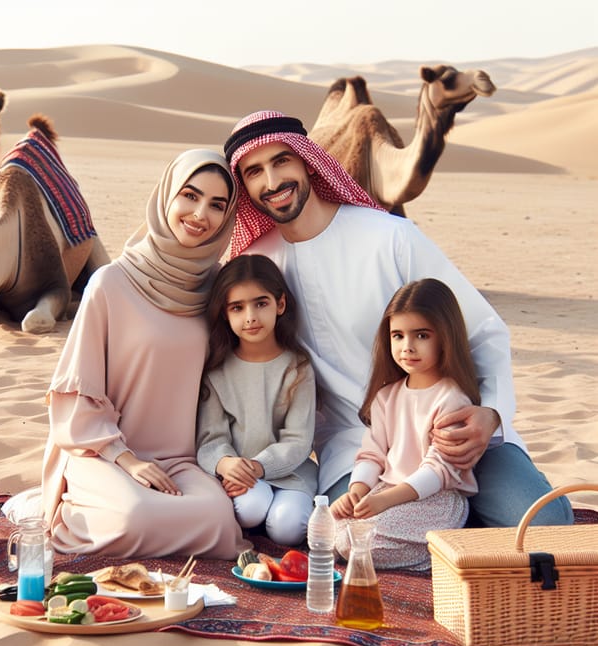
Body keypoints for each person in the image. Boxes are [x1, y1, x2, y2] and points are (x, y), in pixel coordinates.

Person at [223, 110, 573, 528]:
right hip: (357, 447)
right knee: (371, 535)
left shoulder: (389, 237)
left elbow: (483, 331)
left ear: (307, 161)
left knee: (545, 525)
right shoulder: (255, 268)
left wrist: (491, 414)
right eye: (254, 171)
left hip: (451, 428)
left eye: (282, 161)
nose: (272, 181)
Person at [40, 149, 250, 559]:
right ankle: (65, 509)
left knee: (219, 522)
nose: (200, 214)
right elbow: (75, 393)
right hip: (102, 451)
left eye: (216, 205)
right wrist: (127, 459)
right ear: (167, 196)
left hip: (180, 461)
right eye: (189, 196)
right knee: (134, 518)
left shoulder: (219, 292)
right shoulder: (111, 283)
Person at [331, 279, 481, 569]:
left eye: (421, 336)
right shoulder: (387, 396)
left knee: (359, 543)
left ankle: (430, 555)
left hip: (435, 500)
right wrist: (356, 492)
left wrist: (385, 501)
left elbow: (438, 470)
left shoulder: (452, 399)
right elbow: (371, 453)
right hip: (386, 492)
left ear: (445, 337)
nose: (407, 347)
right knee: (332, 530)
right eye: (398, 336)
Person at [196, 254, 318, 545]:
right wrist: (225, 464)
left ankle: (277, 515)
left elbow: (299, 439)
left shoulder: (298, 367)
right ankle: (260, 512)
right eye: (238, 307)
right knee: (250, 510)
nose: (250, 316)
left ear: (281, 304)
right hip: (241, 476)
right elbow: (210, 437)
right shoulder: (216, 370)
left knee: (288, 529)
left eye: (260, 304)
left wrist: (260, 466)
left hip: (291, 473)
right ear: (225, 313)